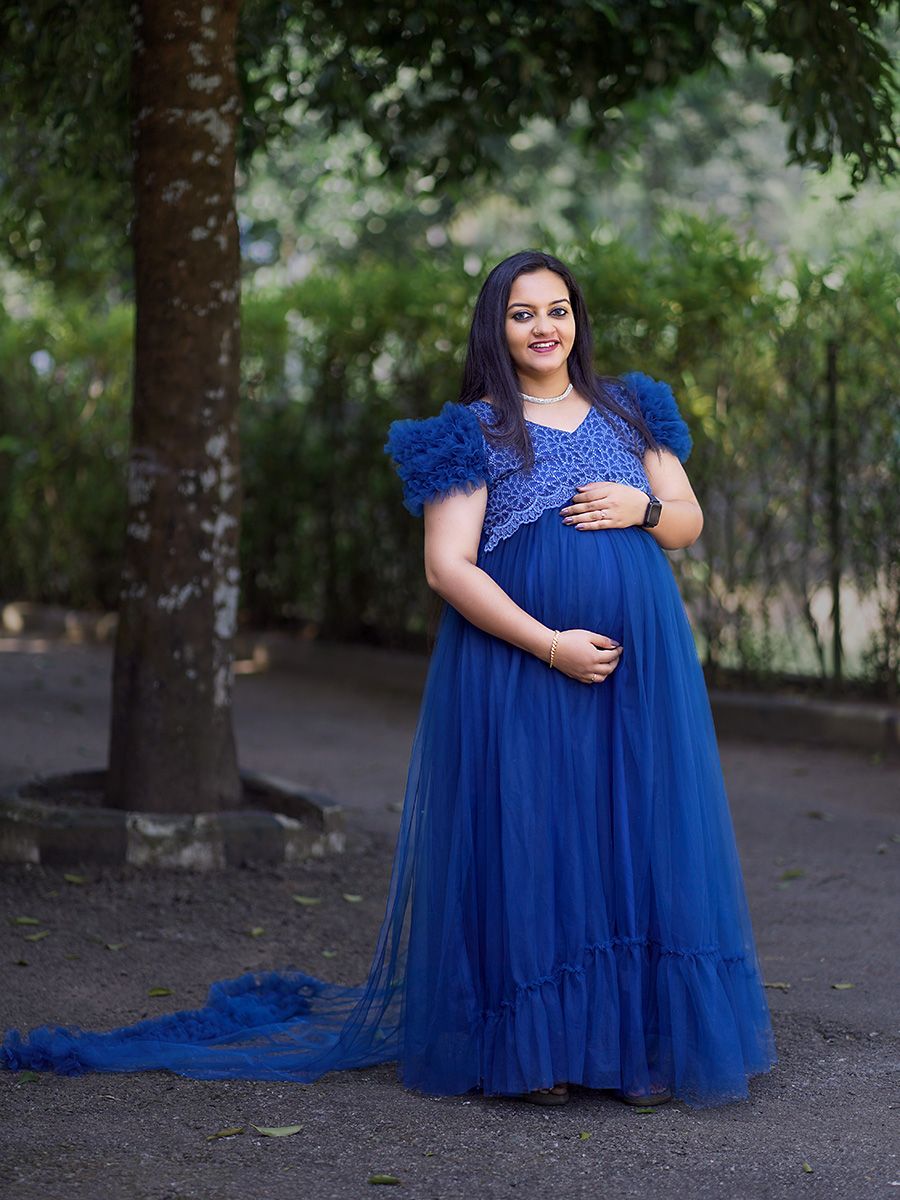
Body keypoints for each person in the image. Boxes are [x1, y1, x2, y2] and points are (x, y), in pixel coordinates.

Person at [2, 250, 777, 1111]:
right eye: (524, 314)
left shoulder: (632, 409)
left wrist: (647, 509)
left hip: (640, 670)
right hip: (526, 664)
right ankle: (543, 1045)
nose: (545, 328)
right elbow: (449, 568)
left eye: (559, 310)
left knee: (632, 832)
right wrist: (551, 645)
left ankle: (636, 1046)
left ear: (577, 320)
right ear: (496, 327)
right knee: (541, 838)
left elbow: (689, 523)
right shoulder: (471, 430)